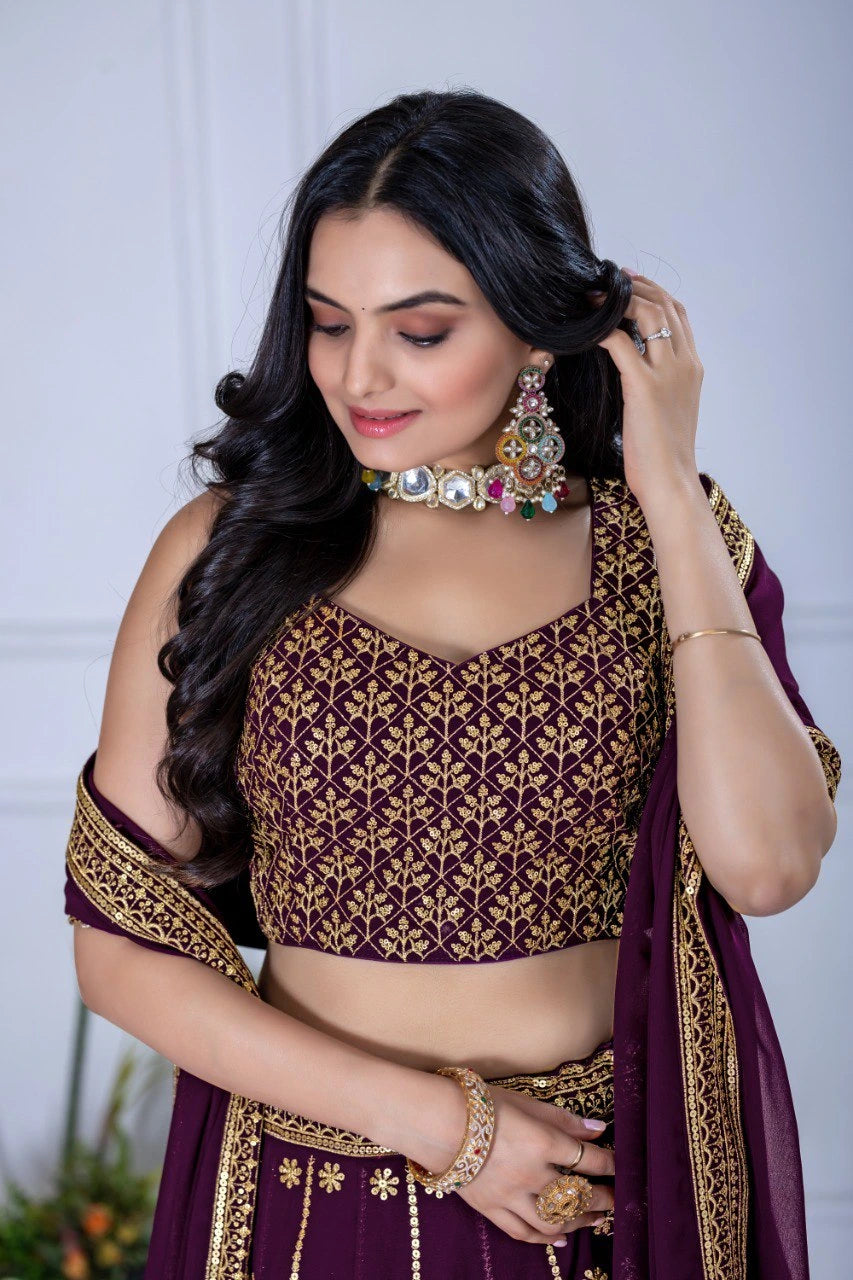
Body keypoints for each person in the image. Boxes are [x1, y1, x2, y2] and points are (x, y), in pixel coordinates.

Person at [64, 88, 841, 1280]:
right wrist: (448, 1128)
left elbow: (768, 865)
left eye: (419, 331)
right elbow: (122, 947)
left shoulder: (660, 550)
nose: (359, 372)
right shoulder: (227, 550)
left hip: (594, 1195)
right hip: (302, 1193)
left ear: (538, 328)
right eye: (328, 323)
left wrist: (670, 486)